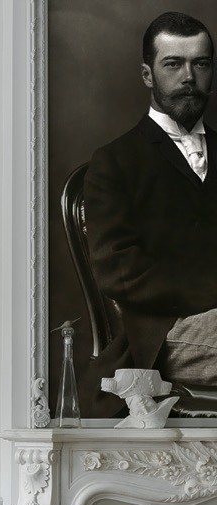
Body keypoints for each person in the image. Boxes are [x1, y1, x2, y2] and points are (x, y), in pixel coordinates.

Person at [81, 11, 217, 417]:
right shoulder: (114, 162)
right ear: (147, 74)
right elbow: (121, 271)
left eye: (201, 64)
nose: (189, 77)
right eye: (173, 64)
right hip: (160, 333)